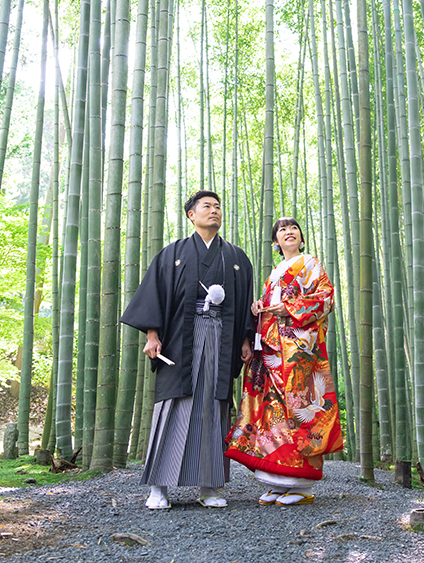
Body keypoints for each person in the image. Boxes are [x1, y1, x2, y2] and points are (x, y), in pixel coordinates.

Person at [120, 190, 254, 509]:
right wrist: (152, 335)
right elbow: (156, 295)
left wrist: (247, 340)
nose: (214, 211)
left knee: (212, 407)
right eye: (207, 206)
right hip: (181, 338)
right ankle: (159, 488)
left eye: (218, 207)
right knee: (173, 406)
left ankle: (209, 487)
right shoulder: (173, 253)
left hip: (220, 339)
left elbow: (246, 301)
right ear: (191, 215)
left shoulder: (236, 258)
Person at [225, 217, 343, 505]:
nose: (289, 232)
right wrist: (258, 308)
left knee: (301, 410)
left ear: (301, 238)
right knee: (272, 413)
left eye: (293, 229)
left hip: (299, 351)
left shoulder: (311, 264)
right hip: (270, 349)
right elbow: (270, 309)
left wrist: (287, 308)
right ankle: (277, 481)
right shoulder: (273, 274)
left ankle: (301, 485)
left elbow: (325, 298)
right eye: (282, 230)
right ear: (275, 243)